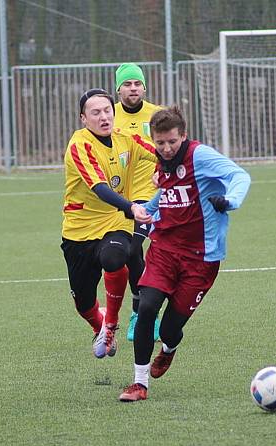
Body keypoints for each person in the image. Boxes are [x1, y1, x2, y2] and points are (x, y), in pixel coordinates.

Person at [118, 106, 251, 402]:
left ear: (184, 136)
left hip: (201, 258)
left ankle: (168, 349)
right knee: (147, 306)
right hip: (164, 249)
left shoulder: (200, 156)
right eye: (160, 142)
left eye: (172, 142)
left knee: (168, 329)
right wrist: (145, 211)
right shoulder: (161, 160)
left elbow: (240, 176)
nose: (166, 149)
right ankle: (139, 384)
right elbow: (167, 191)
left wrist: (230, 200)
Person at [61, 88, 157, 359]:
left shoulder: (128, 140)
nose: (104, 117)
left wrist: (171, 168)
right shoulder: (79, 145)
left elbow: (160, 153)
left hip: (115, 221)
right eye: (96, 112)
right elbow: (100, 188)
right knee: (83, 303)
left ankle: (112, 324)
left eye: (107, 111)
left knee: (117, 257)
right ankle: (99, 325)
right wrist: (132, 207)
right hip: (78, 230)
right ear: (83, 118)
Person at [113, 63, 163, 342]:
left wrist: (163, 172)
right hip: (118, 198)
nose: (133, 88)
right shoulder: (109, 115)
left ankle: (141, 314)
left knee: (134, 248)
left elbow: (173, 146)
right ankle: (138, 311)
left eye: (137, 84)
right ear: (118, 89)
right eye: (127, 84)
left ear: (144, 87)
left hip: (149, 196)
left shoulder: (157, 114)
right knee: (126, 254)